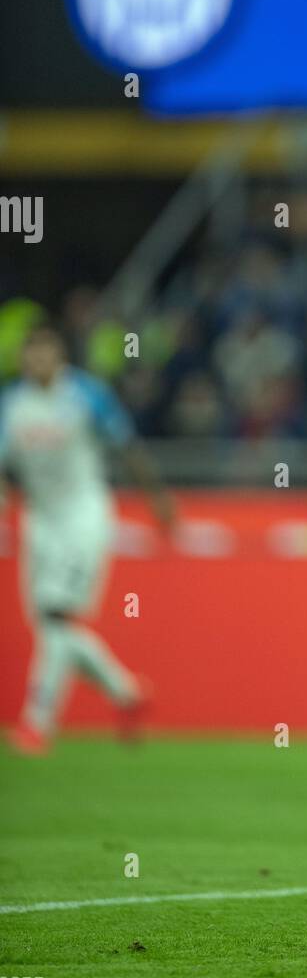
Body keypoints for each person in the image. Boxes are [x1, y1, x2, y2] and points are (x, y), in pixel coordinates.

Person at [0, 323, 174, 754]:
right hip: (40, 523)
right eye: (31, 353)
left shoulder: (86, 395)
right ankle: (127, 692)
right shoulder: (12, 405)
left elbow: (127, 446)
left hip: (84, 516)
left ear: (60, 356)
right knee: (50, 626)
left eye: (46, 352)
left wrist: (158, 499)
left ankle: (37, 726)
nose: (37, 361)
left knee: (57, 619)